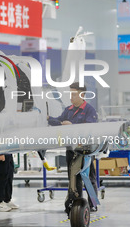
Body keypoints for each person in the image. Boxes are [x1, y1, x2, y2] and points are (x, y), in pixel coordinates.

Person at [47, 82, 98, 213]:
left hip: (85, 150)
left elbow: (90, 128)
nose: (71, 97)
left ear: (82, 94)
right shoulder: (68, 110)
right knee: (73, 178)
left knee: (88, 177)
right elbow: (59, 121)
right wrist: (48, 118)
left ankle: (92, 204)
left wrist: (72, 124)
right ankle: (76, 203)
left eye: (74, 94)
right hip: (71, 149)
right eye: (70, 94)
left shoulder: (89, 110)